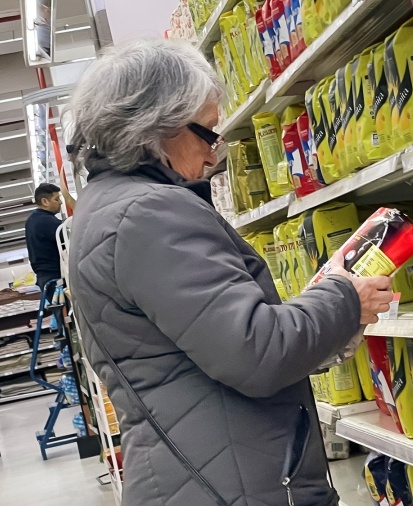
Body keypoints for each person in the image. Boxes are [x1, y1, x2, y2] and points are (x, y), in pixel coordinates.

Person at [66, 39, 394, 506]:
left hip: (199, 473)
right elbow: (256, 352)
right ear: (158, 125)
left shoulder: (107, 208)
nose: (214, 155)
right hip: (228, 486)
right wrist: (344, 297)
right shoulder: (148, 215)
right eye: (208, 132)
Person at [24, 182, 75, 298]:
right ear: (45, 202)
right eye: (56, 199)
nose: (61, 202)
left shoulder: (33, 220)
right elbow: (72, 236)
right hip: (55, 278)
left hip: (47, 278)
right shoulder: (45, 221)